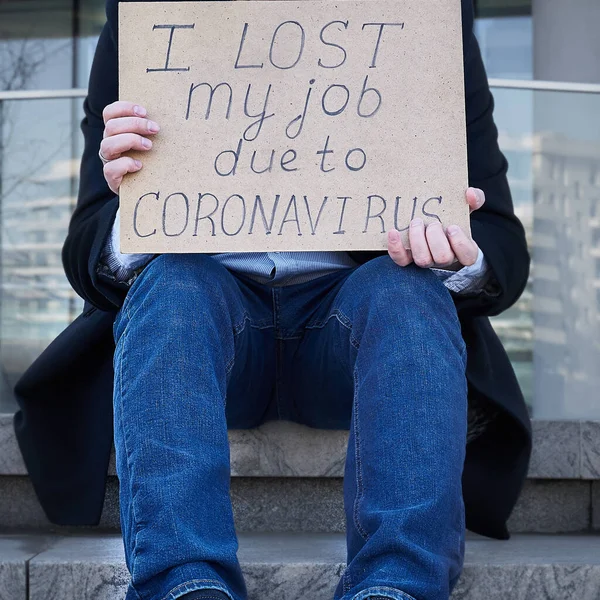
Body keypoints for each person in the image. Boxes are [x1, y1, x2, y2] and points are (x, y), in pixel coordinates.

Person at [12, 1, 532, 599]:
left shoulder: (424, 20)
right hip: (202, 327)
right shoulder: (148, 19)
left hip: (356, 327)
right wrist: (134, 208)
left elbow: (501, 244)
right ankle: (184, 585)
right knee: (173, 287)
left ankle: (398, 585)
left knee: (407, 294)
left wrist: (456, 253)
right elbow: (86, 241)